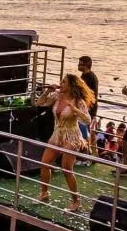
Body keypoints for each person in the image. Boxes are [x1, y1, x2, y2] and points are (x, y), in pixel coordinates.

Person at [35, 74, 95, 211]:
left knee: (66, 169)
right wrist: (48, 91)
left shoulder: (78, 101)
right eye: (61, 81)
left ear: (71, 85)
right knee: (44, 163)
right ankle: (44, 192)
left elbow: (87, 120)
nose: (60, 83)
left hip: (72, 136)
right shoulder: (57, 96)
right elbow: (39, 103)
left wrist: (75, 110)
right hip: (57, 134)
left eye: (64, 82)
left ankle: (75, 200)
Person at [78, 56, 99, 155]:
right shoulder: (84, 76)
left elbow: (92, 95)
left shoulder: (90, 78)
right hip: (85, 108)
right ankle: (88, 153)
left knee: (85, 133)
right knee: (85, 132)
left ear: (86, 65)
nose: (78, 65)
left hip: (88, 109)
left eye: (80, 63)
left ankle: (87, 154)